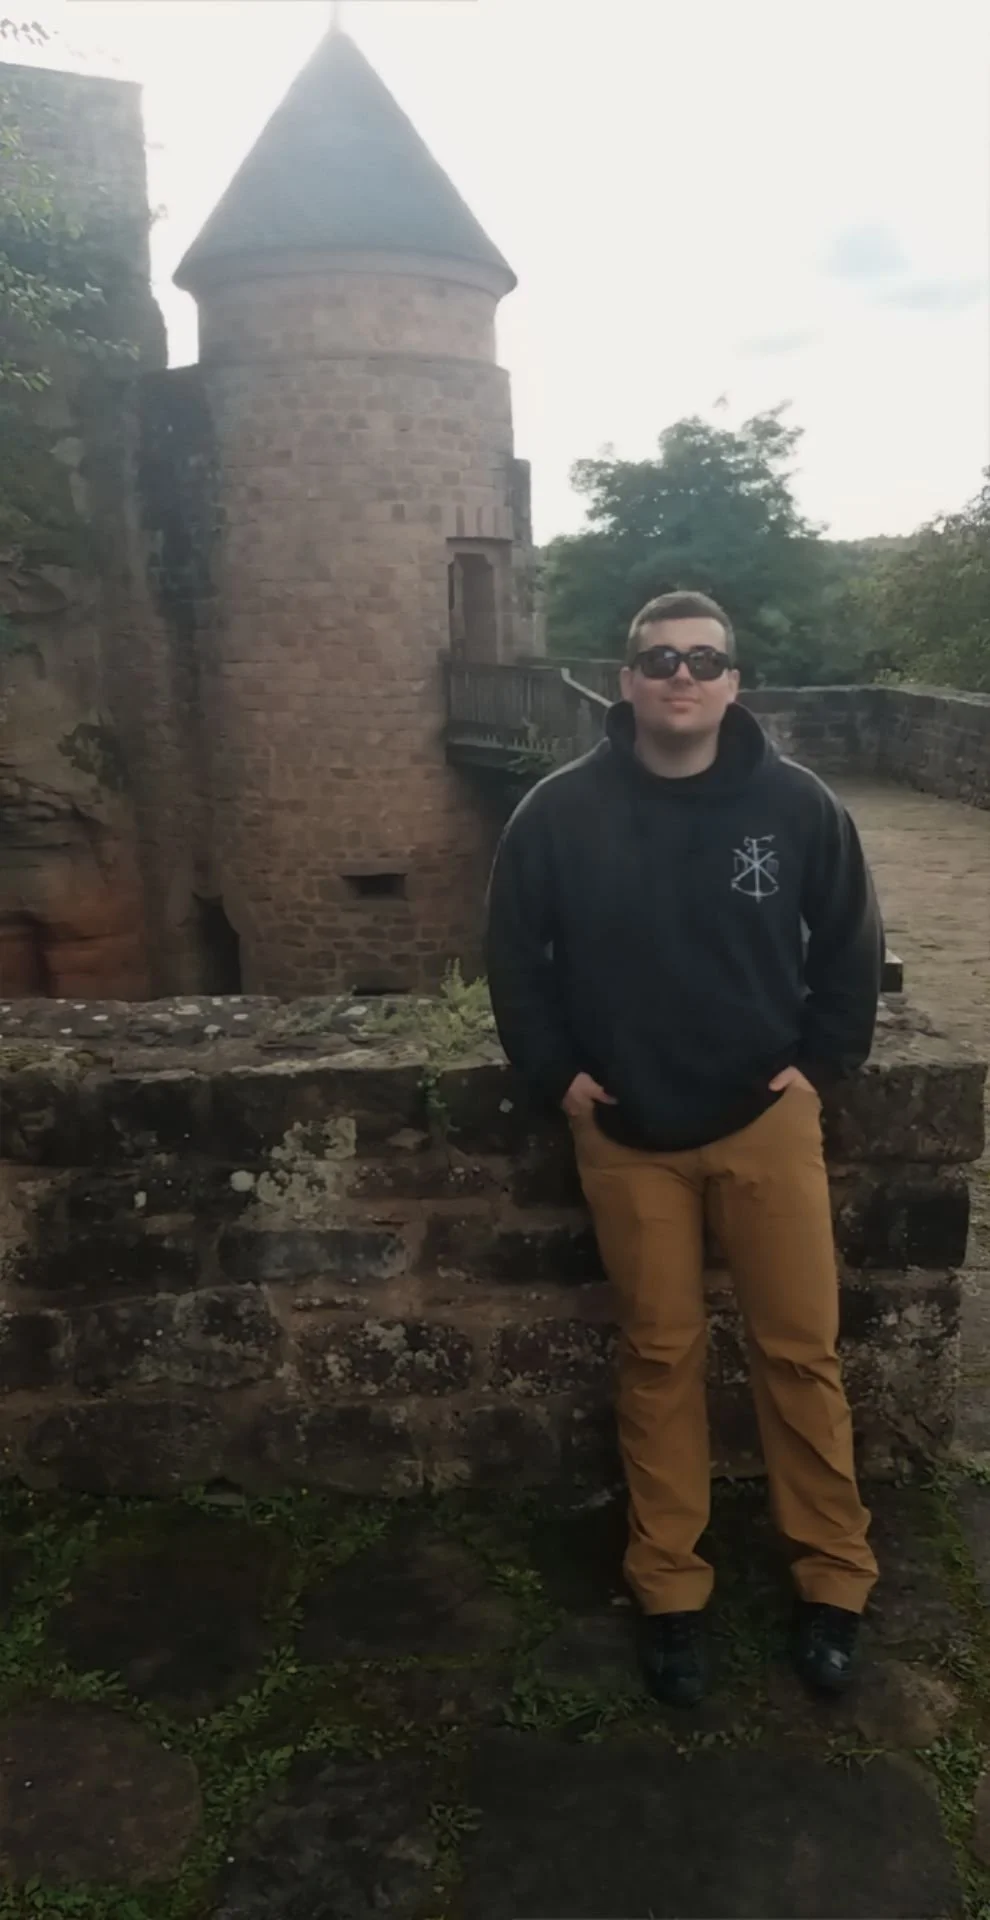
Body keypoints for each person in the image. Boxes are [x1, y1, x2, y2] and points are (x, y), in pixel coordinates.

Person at [485, 589, 883, 1708]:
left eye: (704, 661)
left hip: (765, 1119)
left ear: (732, 683)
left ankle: (833, 1579)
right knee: (658, 1358)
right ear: (626, 680)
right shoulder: (559, 814)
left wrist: (824, 1060)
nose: (682, 676)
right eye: (659, 658)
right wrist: (554, 1073)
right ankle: (669, 1589)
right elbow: (515, 951)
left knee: (799, 1353)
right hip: (624, 1130)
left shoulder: (796, 805)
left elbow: (851, 939)